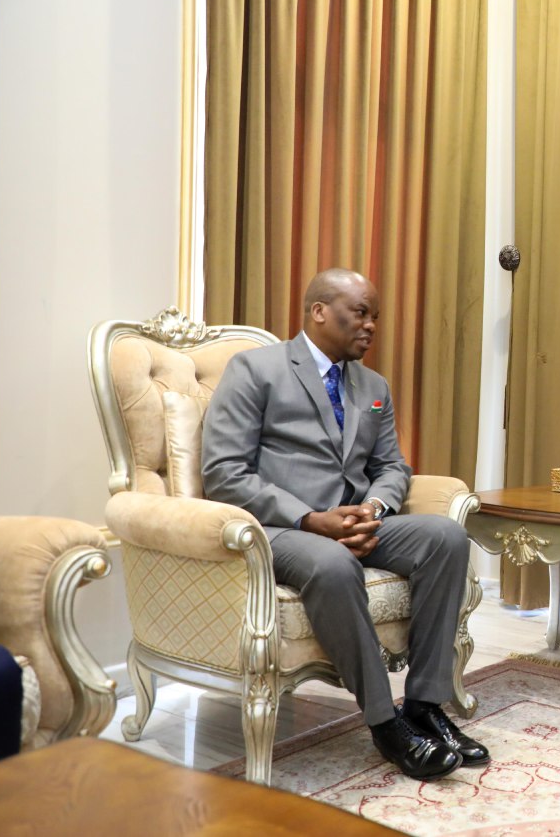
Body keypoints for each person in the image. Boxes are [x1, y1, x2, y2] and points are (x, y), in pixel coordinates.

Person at [202, 268, 488, 781]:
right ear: (319, 311)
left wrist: (374, 509)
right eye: (360, 313)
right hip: (281, 527)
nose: (371, 325)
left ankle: (424, 705)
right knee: (333, 563)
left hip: (358, 521)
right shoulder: (256, 369)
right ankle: (384, 722)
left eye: (375, 316)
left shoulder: (373, 386)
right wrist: (311, 518)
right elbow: (224, 472)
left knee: (445, 536)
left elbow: (392, 466)